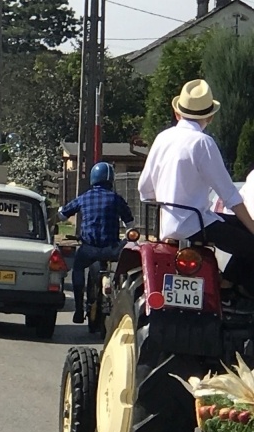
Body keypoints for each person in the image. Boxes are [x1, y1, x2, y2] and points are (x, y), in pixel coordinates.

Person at [138, 78, 254, 302]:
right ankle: (229, 286)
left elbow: (145, 189)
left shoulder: (163, 138)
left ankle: (227, 284)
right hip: (197, 224)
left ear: (177, 112)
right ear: (209, 117)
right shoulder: (203, 143)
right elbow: (229, 195)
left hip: (167, 226)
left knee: (236, 228)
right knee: (249, 244)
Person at [58, 162, 135, 323]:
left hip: (89, 249)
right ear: (111, 180)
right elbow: (129, 223)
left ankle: (79, 310)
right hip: (111, 250)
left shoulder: (85, 197)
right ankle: (120, 295)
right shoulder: (116, 198)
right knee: (123, 267)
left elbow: (63, 215)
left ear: (93, 178)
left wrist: (59, 211)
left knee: (78, 268)